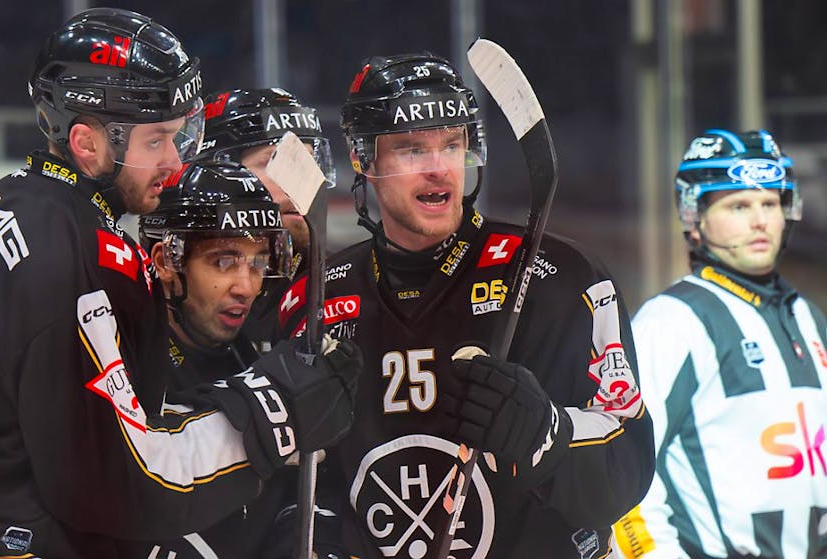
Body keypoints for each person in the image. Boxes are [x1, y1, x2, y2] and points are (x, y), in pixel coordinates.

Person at [0, 9, 360, 558]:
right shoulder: (75, 256)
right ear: (86, 143)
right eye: (156, 141)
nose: (174, 161)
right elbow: (120, 480)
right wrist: (277, 413)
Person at [277, 52, 656, 557]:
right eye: (411, 149)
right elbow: (302, 479)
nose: (438, 169)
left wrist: (546, 431)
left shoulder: (559, 280)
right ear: (364, 160)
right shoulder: (318, 298)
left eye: (451, 145)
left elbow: (626, 465)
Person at [613, 129, 827, 559]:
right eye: (738, 205)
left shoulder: (806, 315)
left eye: (770, 202)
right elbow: (622, 475)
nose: (760, 219)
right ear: (695, 218)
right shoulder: (670, 322)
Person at [125, 159, 355, 558]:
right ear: (165, 261)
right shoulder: (120, 352)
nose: (246, 286)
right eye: (224, 261)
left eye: (259, 262)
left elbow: (302, 495)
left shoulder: (251, 354)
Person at [195, 87, 335, 351]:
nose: (301, 181)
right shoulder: (164, 280)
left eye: (309, 163)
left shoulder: (340, 279)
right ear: (218, 172)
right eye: (276, 161)